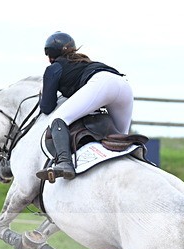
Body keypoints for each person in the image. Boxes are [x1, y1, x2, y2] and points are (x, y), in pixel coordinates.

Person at [37, 31, 134, 180]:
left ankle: (64, 162)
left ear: (49, 54)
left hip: (102, 84)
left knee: (58, 119)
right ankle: (138, 163)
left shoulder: (54, 68)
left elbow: (47, 107)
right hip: (124, 86)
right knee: (120, 141)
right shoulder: (82, 62)